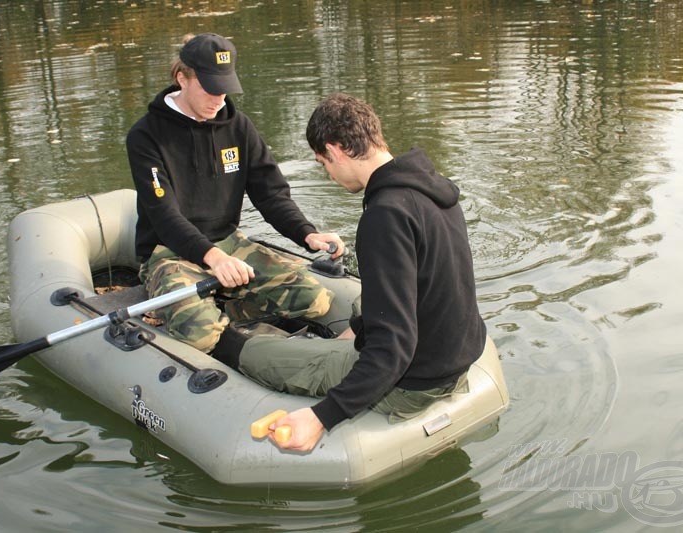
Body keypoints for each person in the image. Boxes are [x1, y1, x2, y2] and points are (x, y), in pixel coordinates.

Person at [234, 93, 490, 452]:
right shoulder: (432, 190)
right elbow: (421, 290)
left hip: (412, 383)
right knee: (355, 311)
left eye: (324, 163)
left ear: (335, 150)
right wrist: (357, 329)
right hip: (454, 362)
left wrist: (322, 417)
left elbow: (394, 348)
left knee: (254, 353)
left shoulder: (384, 216)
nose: (329, 174)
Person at [126, 33, 344, 353]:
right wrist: (213, 258)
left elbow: (271, 194)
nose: (219, 98)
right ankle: (197, 320)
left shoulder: (238, 127)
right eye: (210, 87)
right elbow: (164, 215)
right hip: (169, 251)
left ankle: (223, 313)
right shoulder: (145, 136)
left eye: (225, 87)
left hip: (228, 242)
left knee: (316, 300)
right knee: (200, 334)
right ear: (181, 78)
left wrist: (307, 234)